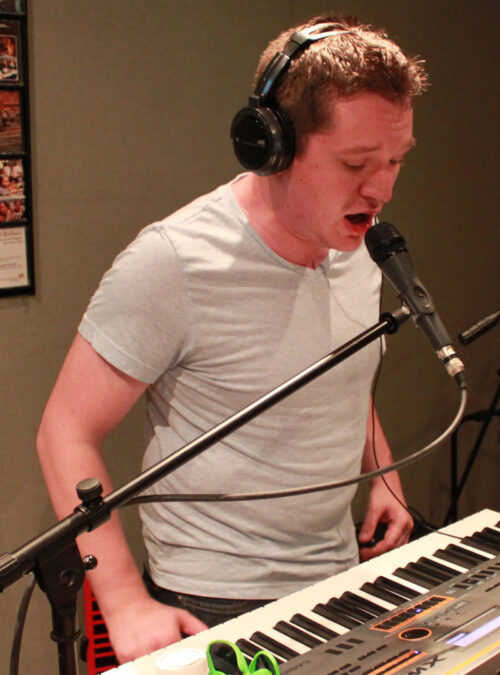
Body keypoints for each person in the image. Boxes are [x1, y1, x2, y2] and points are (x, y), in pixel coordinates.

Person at [36, 15, 427, 664]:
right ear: (271, 146)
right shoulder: (174, 263)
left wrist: (380, 473)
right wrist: (124, 600)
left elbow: (337, 372)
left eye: (395, 161)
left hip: (337, 577)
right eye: (356, 163)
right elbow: (63, 432)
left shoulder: (357, 240)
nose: (381, 189)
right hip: (214, 597)